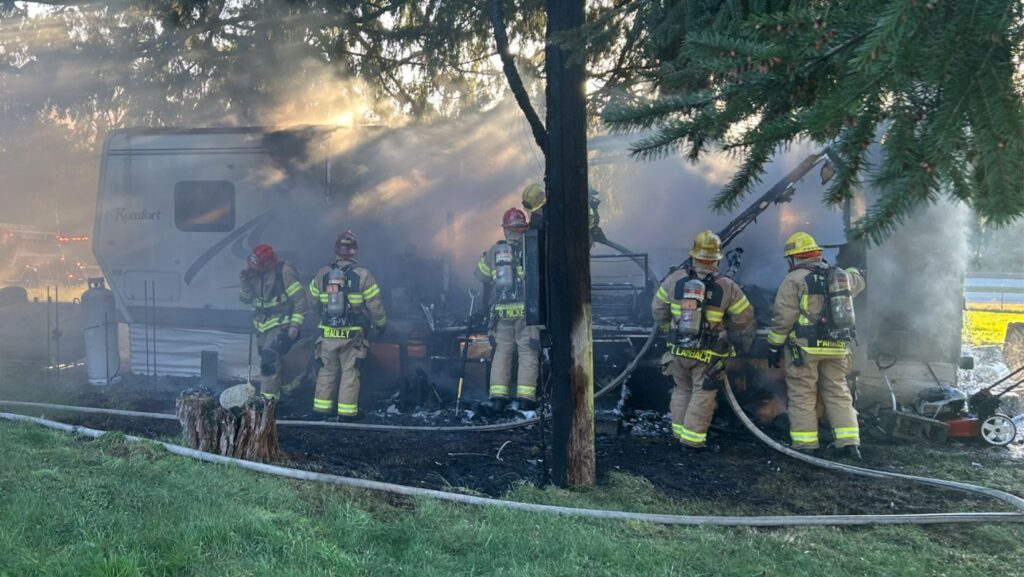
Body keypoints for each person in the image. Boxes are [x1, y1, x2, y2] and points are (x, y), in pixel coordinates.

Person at [767, 231, 866, 459]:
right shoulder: (838, 276)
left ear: (794, 257)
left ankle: (806, 444)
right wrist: (851, 268)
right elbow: (858, 281)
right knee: (839, 391)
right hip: (838, 346)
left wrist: (774, 346)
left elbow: (783, 318)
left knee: (803, 394)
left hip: (806, 348)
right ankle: (849, 443)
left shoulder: (794, 280)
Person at [652, 231, 755, 449]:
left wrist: (668, 330)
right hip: (709, 354)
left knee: (681, 389)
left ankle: (678, 433)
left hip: (678, 349)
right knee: (703, 393)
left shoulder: (674, 279)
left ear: (694, 256)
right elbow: (745, 317)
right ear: (716, 259)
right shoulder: (727, 285)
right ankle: (692, 441)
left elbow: (658, 309)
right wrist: (729, 332)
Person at [308, 231, 387, 420]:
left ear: (336, 251)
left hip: (327, 333)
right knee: (350, 373)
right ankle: (346, 412)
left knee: (326, 371)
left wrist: (323, 315)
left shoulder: (322, 274)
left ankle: (321, 409)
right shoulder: (363, 275)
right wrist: (381, 324)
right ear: (355, 252)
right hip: (352, 335)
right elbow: (375, 306)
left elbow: (312, 303)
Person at [475, 208, 540, 411]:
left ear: (505, 230)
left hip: (502, 312)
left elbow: (480, 275)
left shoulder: (497, 250)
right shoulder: (531, 246)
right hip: (526, 312)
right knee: (527, 352)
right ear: (524, 227)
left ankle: (498, 398)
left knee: (502, 353)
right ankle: (526, 399)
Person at [239, 244, 308, 400]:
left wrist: (295, 325)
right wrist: (244, 283)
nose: (253, 268)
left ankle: (267, 401)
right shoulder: (253, 273)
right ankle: (289, 389)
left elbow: (301, 300)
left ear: (268, 263)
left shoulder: (284, 272)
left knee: (269, 363)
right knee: (278, 361)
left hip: (281, 323)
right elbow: (245, 299)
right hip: (262, 326)